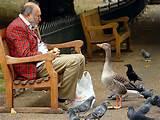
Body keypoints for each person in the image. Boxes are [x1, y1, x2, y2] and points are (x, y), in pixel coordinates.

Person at [6, 1, 85, 109]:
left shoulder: (27, 24)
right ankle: (62, 99)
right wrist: (47, 54)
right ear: (28, 15)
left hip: (43, 60)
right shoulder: (17, 27)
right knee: (74, 61)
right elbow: (25, 55)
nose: (40, 19)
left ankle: (72, 93)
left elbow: (38, 45)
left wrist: (49, 53)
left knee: (80, 58)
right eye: (37, 16)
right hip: (34, 66)